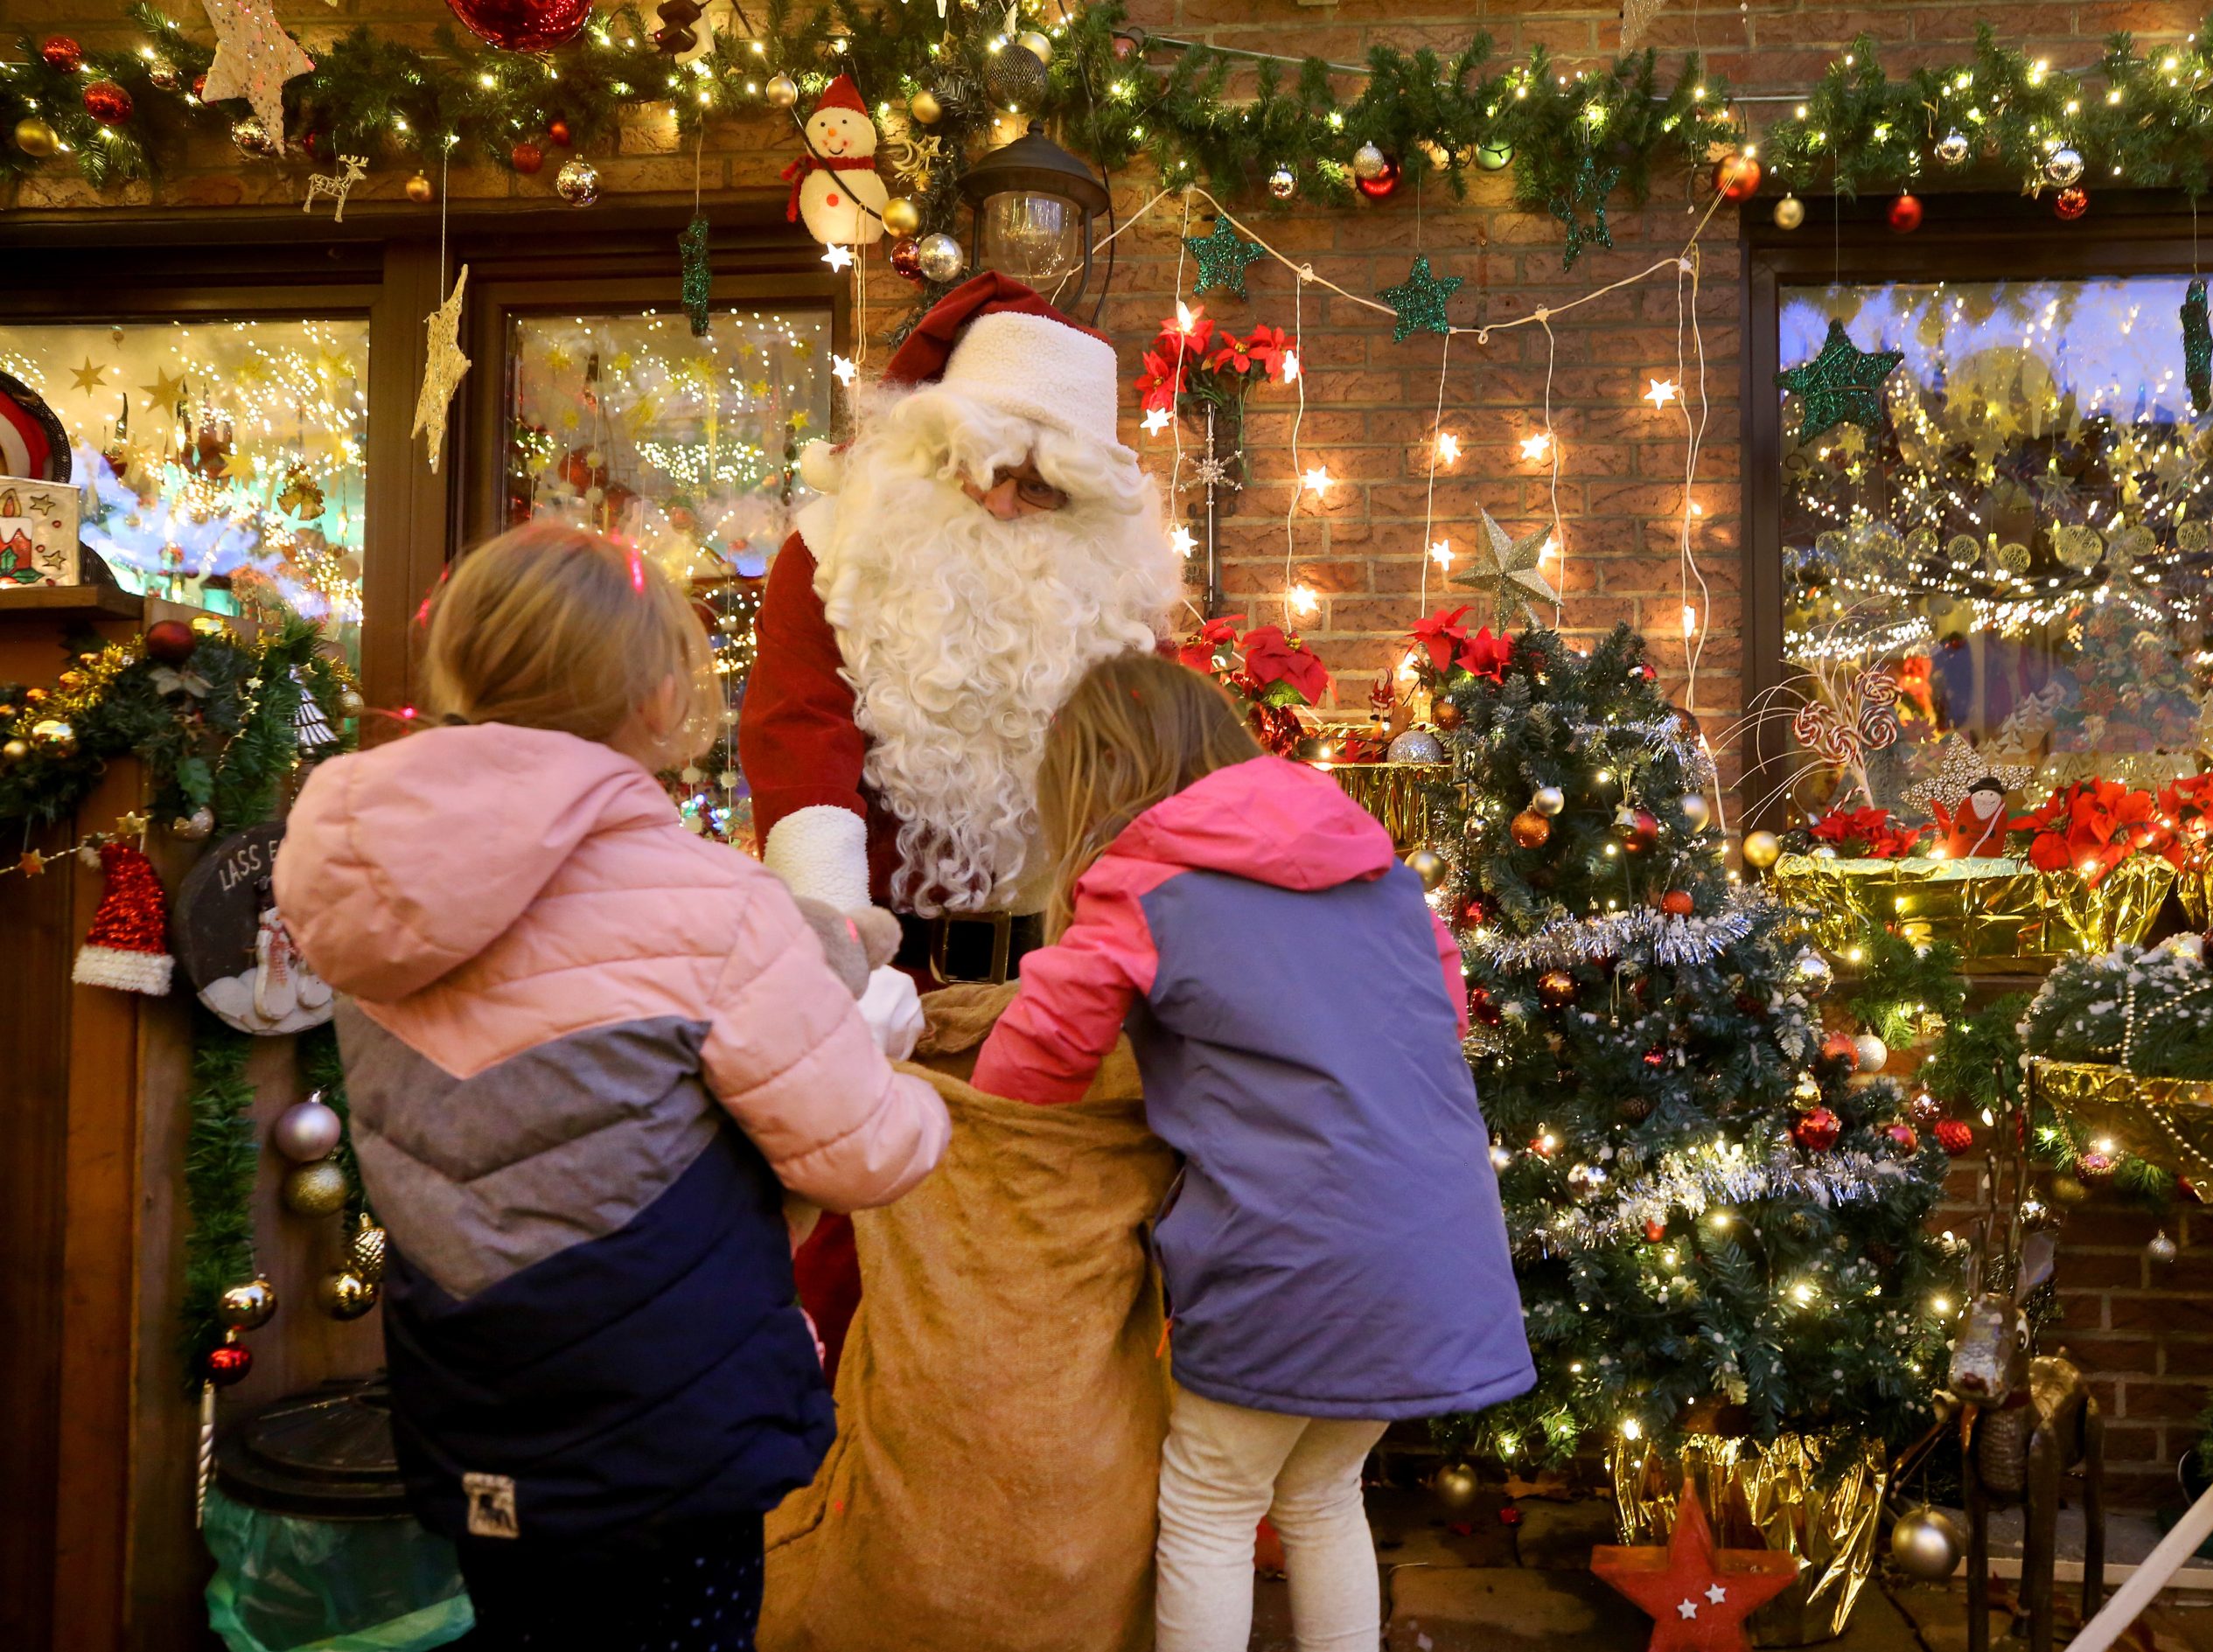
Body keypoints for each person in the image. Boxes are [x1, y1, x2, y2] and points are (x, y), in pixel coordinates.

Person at [273, 522, 950, 1652]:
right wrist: (886, 1051)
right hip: (668, 1424)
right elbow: (860, 1152)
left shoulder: (369, 886)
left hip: (468, 1402)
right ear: (657, 696)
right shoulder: (710, 903)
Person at [972, 654, 1535, 1652]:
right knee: (1321, 1489)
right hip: (1438, 1239)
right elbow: (1438, 1013)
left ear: (1099, 775)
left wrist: (977, 1134)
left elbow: (1039, 1055)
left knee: (1211, 1497)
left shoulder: (1143, 884)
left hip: (1289, 1249)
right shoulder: (1379, 870)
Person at [740, 270, 1178, 1372]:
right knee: (855, 1289)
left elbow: (1151, 801)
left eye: (1036, 490)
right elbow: (801, 751)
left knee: (1030, 1304)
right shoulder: (838, 553)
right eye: (976, 469)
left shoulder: (1112, 601)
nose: (996, 506)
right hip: (892, 991)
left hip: (1062, 1002)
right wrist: (843, 966)